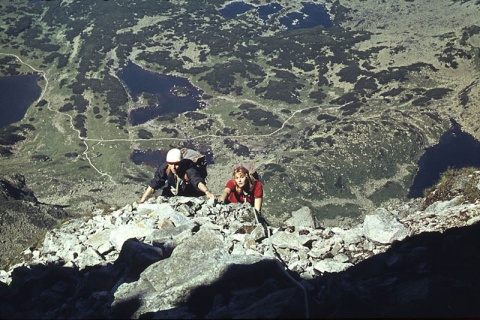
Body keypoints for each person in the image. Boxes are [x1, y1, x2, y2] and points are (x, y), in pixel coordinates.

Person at [140, 148, 215, 203]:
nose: (173, 167)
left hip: (191, 194)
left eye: (176, 164)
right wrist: (143, 200)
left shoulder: (188, 167)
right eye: (170, 164)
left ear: (181, 162)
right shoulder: (165, 167)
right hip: (173, 192)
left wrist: (207, 192)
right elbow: (155, 183)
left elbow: (196, 180)